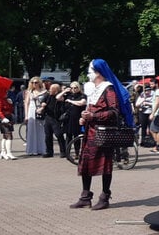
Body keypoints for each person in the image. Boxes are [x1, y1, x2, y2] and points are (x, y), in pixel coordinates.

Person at [70, 59, 135, 210]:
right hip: (90, 132)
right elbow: (92, 110)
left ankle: (105, 197)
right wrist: (84, 118)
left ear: (98, 72)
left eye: (90, 71)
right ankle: (85, 197)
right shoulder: (94, 89)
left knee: (105, 165)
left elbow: (114, 112)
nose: (88, 74)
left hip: (103, 133)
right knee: (85, 163)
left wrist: (93, 117)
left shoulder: (108, 89)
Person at [42, 83, 67, 158]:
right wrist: (42, 104)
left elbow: (58, 98)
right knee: (48, 136)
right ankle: (49, 152)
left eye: (51, 89)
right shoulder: (47, 95)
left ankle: (63, 151)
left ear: (56, 90)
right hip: (48, 117)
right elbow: (43, 101)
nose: (49, 90)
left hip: (56, 118)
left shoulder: (60, 96)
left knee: (59, 134)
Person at [62, 82, 87, 157]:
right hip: (68, 118)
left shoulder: (82, 95)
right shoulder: (68, 95)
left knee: (76, 136)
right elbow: (58, 97)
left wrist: (70, 101)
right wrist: (64, 91)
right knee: (68, 136)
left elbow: (82, 103)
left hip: (77, 118)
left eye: (75, 87)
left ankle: (77, 153)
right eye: (72, 88)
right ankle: (67, 152)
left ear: (78, 87)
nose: (73, 89)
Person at [23, 77, 46, 156]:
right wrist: (26, 115)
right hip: (32, 110)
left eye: (36, 82)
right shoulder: (29, 92)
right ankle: (32, 149)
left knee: (41, 130)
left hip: (40, 110)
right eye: (33, 82)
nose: (34, 84)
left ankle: (41, 149)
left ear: (39, 83)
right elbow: (26, 103)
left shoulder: (44, 91)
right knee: (31, 130)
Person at [0, 94, 16, 159]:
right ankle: (9, 153)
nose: (6, 93)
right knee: (9, 135)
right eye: (5, 92)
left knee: (5, 136)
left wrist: (10, 104)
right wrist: (3, 118)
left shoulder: (6, 100)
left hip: (8, 118)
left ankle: (3, 152)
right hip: (3, 119)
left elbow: (11, 110)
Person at [147, 81, 159, 154]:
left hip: (158, 114)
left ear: (156, 84)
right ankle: (157, 145)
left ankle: (158, 147)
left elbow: (157, 103)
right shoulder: (156, 92)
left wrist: (153, 113)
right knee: (152, 130)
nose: (151, 86)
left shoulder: (158, 92)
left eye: (152, 84)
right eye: (150, 84)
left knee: (156, 130)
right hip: (156, 114)